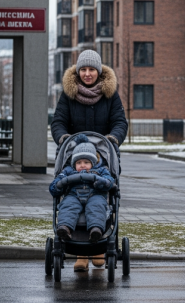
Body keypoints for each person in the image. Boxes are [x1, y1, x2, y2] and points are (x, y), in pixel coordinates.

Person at [51, 49, 127, 271]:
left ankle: (100, 248)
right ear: (77, 72)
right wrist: (64, 139)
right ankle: (80, 255)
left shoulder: (110, 95)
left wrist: (113, 139)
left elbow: (120, 122)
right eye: (83, 69)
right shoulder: (68, 95)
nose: (87, 74)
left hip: (102, 157)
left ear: (99, 71)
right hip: (75, 158)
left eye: (91, 69)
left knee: (101, 200)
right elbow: (58, 122)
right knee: (72, 199)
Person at [49, 135, 114, 273]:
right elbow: (55, 185)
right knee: (68, 206)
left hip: (95, 194)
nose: (82, 165)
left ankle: (96, 230)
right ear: (74, 164)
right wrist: (58, 185)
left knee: (96, 206)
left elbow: (109, 181)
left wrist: (102, 182)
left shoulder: (101, 170)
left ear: (93, 162)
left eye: (86, 162)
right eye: (79, 163)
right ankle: (65, 228)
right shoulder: (68, 171)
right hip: (74, 196)